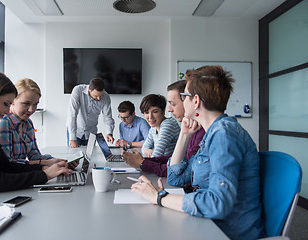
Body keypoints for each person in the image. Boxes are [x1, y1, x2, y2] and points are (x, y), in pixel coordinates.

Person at [131, 65, 263, 240]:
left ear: (196, 101)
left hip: (226, 232)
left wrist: (159, 196)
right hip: (207, 224)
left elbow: (217, 204)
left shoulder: (224, 135)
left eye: (183, 96)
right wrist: (184, 135)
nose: (172, 108)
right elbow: (175, 178)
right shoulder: (211, 134)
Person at [122, 80, 205, 177]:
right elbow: (145, 147)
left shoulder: (169, 124)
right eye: (146, 113)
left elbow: (176, 172)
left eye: (173, 104)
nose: (150, 117)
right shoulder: (155, 128)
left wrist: (142, 163)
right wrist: (142, 159)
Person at [0, 78, 78, 168]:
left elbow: (34, 155)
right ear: (13, 101)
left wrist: (57, 161)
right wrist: (44, 164)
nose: (31, 109)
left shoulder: (28, 123)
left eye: (35, 104)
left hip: (23, 173)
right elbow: (8, 163)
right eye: (26, 103)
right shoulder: (4, 122)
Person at [66, 77, 115, 148]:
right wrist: (72, 138)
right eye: (96, 95)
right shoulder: (78, 91)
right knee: (74, 157)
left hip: (91, 133)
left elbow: (107, 117)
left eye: (100, 95)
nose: (99, 98)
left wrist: (109, 133)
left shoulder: (106, 97)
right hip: (75, 131)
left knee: (90, 158)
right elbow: (72, 114)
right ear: (89, 89)